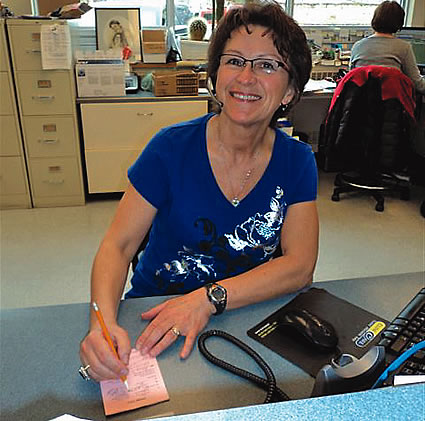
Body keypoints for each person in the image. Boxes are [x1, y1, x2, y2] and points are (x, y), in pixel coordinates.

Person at [79, 0, 318, 384]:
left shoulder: (297, 160)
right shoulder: (169, 149)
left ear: (290, 91)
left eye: (267, 65)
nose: (246, 77)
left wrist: (208, 299)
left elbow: (299, 264)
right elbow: (118, 246)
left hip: (241, 315)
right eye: (235, 60)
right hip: (153, 317)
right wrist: (101, 325)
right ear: (216, 73)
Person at [350, 0, 425, 94]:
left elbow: (351, 79)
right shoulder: (404, 47)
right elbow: (418, 84)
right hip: (392, 105)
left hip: (359, 105)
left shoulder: (357, 46)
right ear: (399, 22)